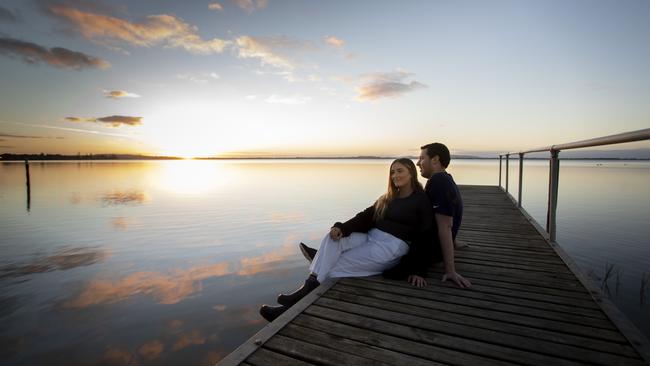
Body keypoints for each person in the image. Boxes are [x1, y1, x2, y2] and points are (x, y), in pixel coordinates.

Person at [259, 158, 433, 322]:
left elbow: (427, 235)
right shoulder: (387, 198)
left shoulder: (421, 200)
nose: (395, 175)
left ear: (411, 172)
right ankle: (307, 286)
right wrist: (341, 228)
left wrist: (419, 270)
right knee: (332, 238)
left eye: (400, 171)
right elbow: (365, 217)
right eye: (392, 172)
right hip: (371, 236)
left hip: (392, 246)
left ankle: (287, 311)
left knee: (333, 265)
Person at [384, 142, 471, 289]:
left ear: (435, 160)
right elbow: (447, 215)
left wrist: (450, 271)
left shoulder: (438, 182)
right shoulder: (445, 179)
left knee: (389, 273)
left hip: (429, 251)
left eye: (422, 158)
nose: (418, 163)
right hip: (429, 244)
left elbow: (445, 226)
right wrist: (454, 241)